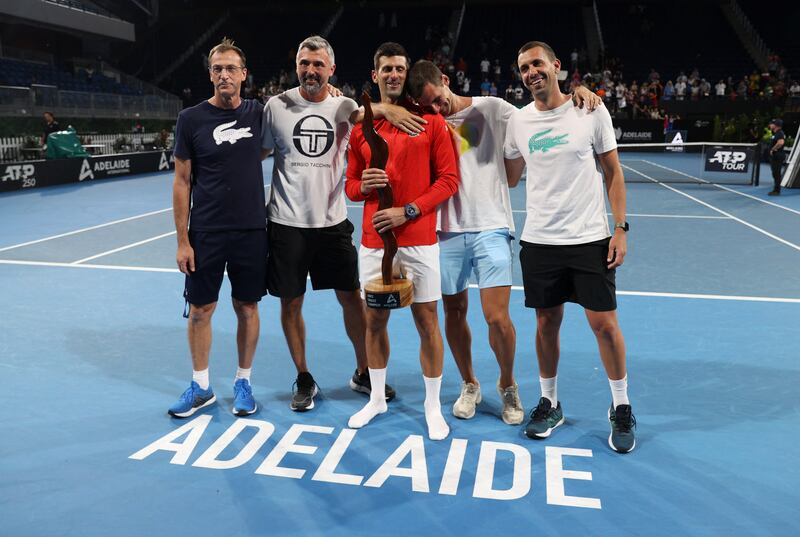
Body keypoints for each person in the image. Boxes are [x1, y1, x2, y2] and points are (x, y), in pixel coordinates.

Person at [406, 60, 600, 426]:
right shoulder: (426, 124)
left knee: (497, 317)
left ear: (445, 82)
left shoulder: (492, 109)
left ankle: (507, 385)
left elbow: (542, 113)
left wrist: (577, 92)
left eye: (438, 100)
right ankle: (469, 383)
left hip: (492, 226)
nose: (436, 109)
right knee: (454, 312)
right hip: (445, 231)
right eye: (426, 106)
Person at [261, 35, 425, 411]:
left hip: (332, 224)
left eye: (318, 64)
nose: (310, 70)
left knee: (352, 299)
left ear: (331, 69)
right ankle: (303, 376)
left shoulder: (344, 104)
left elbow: (366, 115)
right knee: (291, 303)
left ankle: (364, 372)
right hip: (286, 224)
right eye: (305, 63)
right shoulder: (276, 106)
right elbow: (260, 151)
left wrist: (389, 109)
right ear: (297, 66)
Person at [504, 41, 636, 453]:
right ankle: (550, 402)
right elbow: (509, 177)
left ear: (557, 66)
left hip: (589, 239)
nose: (531, 72)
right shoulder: (518, 122)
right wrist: (467, 137)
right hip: (540, 241)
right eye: (524, 67)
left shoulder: (590, 109)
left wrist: (620, 228)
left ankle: (621, 406)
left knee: (605, 325)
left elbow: (613, 172)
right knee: (546, 324)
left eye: (537, 63)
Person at [345, 42, 460, 440]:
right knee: (374, 322)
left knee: (428, 322)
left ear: (406, 74)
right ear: (374, 75)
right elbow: (349, 186)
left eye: (399, 69)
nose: (393, 75)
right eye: (386, 69)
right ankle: (376, 398)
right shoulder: (362, 127)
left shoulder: (431, 124)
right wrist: (363, 186)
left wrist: (408, 210)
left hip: (420, 240)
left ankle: (431, 406)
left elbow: (449, 180)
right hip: (375, 243)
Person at [168, 38, 267, 418]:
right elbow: (181, 181)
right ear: (210, 74)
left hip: (251, 232)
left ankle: (243, 380)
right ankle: (201, 386)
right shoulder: (190, 119)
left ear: (243, 74)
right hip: (206, 233)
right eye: (217, 69)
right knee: (200, 311)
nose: (224, 74)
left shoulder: (259, 113)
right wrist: (182, 240)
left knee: (247, 307)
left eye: (231, 68)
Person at [767, 118, 786, 196]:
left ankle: (777, 190)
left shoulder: (779, 133)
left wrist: (773, 149)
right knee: (775, 173)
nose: (770, 125)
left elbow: (781, 143)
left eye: (772, 124)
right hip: (776, 156)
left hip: (778, 156)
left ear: (776, 125)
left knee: (776, 173)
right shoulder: (776, 133)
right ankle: (776, 189)